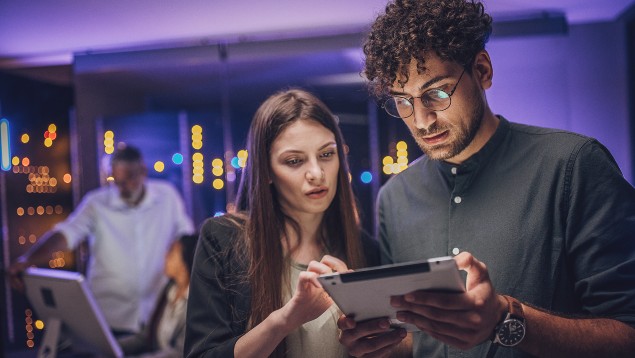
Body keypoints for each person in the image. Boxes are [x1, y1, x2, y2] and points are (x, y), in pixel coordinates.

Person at [337, 0, 635, 357]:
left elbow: (628, 332)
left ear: (482, 70)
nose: (421, 120)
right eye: (403, 101)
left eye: (437, 93)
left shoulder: (573, 165)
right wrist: (376, 343)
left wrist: (506, 319)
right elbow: (420, 340)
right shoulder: (395, 198)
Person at [184, 89, 380, 358]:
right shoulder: (223, 240)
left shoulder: (364, 247)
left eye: (326, 155)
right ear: (265, 171)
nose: (316, 173)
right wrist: (286, 319)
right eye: (294, 161)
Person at [9, 145, 195, 335]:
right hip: (109, 317)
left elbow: (186, 238)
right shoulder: (96, 203)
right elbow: (67, 234)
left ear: (143, 171)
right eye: (118, 181)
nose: (123, 188)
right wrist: (29, 260)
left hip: (158, 315)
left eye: (130, 179)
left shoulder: (167, 196)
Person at [118, 234, 198, 358]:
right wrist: (111, 347)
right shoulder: (168, 290)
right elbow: (146, 338)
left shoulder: (197, 301)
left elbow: (179, 353)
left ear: (185, 260)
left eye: (172, 251)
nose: (166, 256)